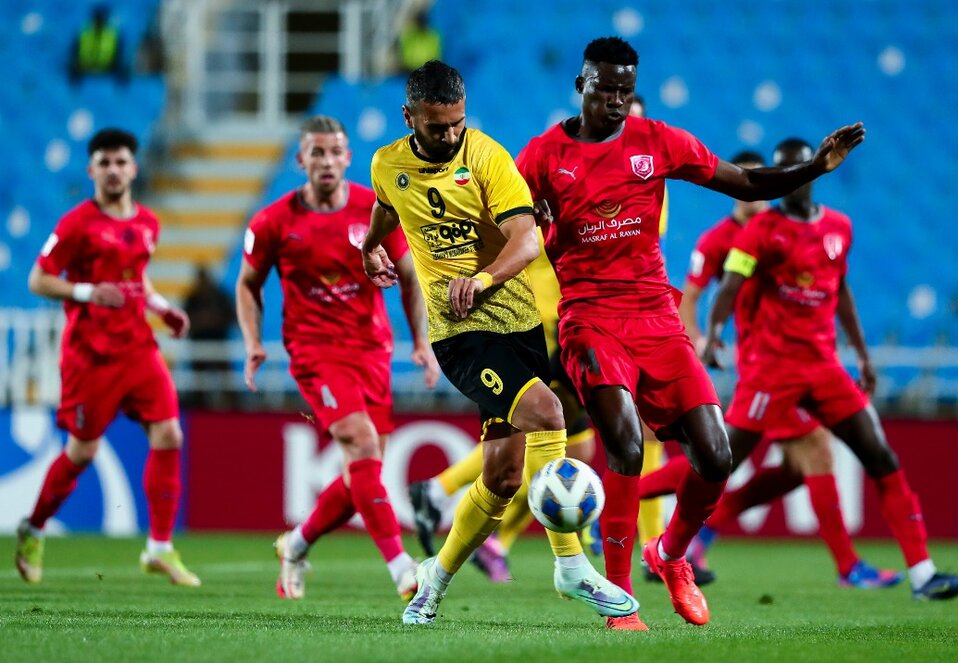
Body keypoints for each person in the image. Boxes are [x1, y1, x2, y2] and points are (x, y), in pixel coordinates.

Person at [515, 36, 865, 628]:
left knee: (716, 455)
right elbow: (506, 231)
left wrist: (813, 168)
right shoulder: (543, 157)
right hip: (589, 317)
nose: (618, 103)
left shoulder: (657, 142)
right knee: (625, 443)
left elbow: (746, 184)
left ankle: (670, 553)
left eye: (626, 92)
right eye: (607, 91)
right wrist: (530, 228)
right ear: (581, 87)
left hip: (655, 314)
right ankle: (619, 599)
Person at [362, 60, 638, 627]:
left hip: (517, 325)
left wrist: (483, 279)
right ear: (408, 117)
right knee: (549, 411)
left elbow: (526, 241)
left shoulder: (487, 157)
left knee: (503, 478)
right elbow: (387, 204)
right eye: (437, 127)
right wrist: (370, 246)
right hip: (460, 333)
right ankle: (571, 565)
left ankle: (431, 583)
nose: (450, 135)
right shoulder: (388, 164)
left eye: (457, 123)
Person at [703, 138, 958, 601]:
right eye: (785, 169)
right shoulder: (759, 231)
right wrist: (715, 332)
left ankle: (923, 574)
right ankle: (668, 545)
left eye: (802, 167)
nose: (795, 176)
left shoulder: (839, 227)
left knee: (881, 458)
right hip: (772, 370)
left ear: (815, 171)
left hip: (824, 366)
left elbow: (843, 292)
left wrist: (863, 354)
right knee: (718, 462)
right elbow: (731, 285)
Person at [643, 149, 901, 589]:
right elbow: (691, 296)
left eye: (762, 185)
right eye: (748, 185)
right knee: (807, 453)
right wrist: (699, 343)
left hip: (788, 364)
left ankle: (690, 524)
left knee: (790, 469)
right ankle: (848, 567)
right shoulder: (721, 240)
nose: (755, 196)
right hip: (768, 366)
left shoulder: (777, 231)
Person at [236, 115, 438, 601]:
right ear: (300, 159)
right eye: (316, 152)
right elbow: (247, 284)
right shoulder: (273, 222)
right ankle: (402, 569)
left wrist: (421, 343)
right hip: (314, 353)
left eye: (335, 152)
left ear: (348, 158)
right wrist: (252, 342)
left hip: (371, 351)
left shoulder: (374, 209)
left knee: (360, 477)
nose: (325, 161)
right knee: (362, 444)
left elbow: (410, 276)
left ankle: (296, 545)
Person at [16, 128, 198, 587]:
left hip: (138, 348)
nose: (114, 170)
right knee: (82, 450)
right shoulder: (77, 224)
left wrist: (162, 309)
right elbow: (38, 280)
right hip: (90, 356)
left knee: (170, 433)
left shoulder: (148, 223)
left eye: (121, 162)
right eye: (105, 163)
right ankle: (33, 528)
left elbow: (138, 280)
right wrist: (84, 291)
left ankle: (159, 547)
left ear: (133, 168)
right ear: (91, 170)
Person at [182, 264, 236, 408]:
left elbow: (232, 318)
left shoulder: (221, 297)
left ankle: (232, 406)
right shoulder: (192, 299)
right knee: (199, 381)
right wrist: (202, 321)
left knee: (226, 380)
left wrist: (214, 320)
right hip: (199, 346)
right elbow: (184, 322)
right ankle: (200, 407)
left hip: (219, 345)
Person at [69, 4, 128, 84]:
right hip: (86, 66)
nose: (100, 22)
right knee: (72, 68)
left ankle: (120, 93)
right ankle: (73, 93)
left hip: (107, 67)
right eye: (98, 18)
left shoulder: (114, 35)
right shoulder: (83, 33)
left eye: (102, 19)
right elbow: (74, 52)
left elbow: (119, 55)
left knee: (124, 69)